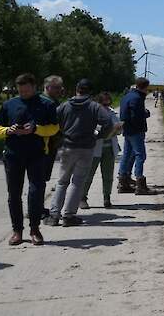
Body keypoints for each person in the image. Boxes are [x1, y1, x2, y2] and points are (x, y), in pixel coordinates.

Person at [0, 74, 59, 246]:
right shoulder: (9, 104)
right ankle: (17, 231)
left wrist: (36, 129)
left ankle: (35, 229)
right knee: (14, 194)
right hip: (13, 155)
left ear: (34, 87)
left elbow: (54, 128)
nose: (23, 93)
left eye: (27, 90)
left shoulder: (47, 104)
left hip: (37, 154)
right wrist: (8, 130)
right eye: (20, 91)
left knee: (36, 192)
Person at [45, 79, 114, 227]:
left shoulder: (64, 105)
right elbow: (108, 123)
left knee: (62, 182)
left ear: (76, 89)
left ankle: (54, 215)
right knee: (77, 182)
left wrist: (60, 134)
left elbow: (52, 121)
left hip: (67, 147)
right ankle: (69, 216)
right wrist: (97, 135)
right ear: (90, 92)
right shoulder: (95, 107)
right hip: (86, 148)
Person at [80, 92, 123, 209]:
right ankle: (82, 198)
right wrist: (100, 131)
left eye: (108, 103)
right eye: (104, 104)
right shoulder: (92, 114)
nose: (106, 106)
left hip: (109, 149)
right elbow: (91, 132)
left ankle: (107, 198)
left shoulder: (112, 112)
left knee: (108, 175)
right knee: (89, 175)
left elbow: (119, 130)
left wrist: (118, 128)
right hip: (94, 149)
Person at [118, 77, 154, 195]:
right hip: (136, 131)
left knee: (127, 155)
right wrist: (145, 114)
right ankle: (140, 185)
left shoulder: (127, 96)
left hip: (127, 130)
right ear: (144, 87)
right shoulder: (137, 98)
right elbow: (136, 115)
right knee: (140, 155)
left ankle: (123, 181)